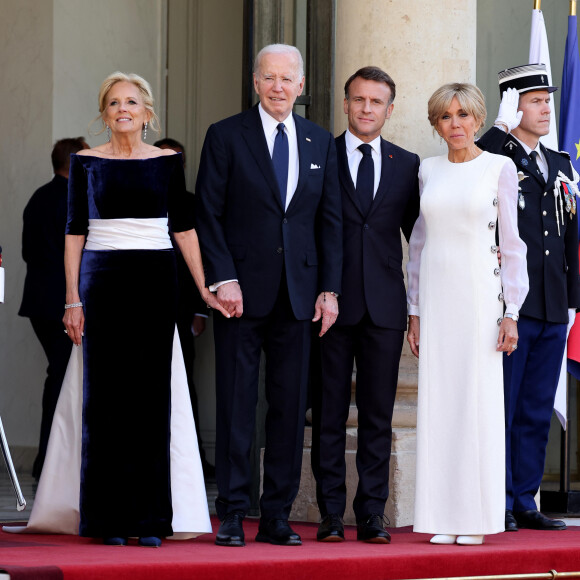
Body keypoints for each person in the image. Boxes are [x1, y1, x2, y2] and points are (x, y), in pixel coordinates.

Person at [17, 71, 223, 548]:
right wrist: (72, 297)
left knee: (150, 402)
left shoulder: (168, 163)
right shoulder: (85, 163)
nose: (123, 109)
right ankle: (108, 520)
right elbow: (74, 234)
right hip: (102, 282)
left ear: (148, 113)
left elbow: (184, 232)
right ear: (103, 113)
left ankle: (149, 519)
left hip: (155, 282)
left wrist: (204, 289)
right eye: (114, 103)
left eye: (132, 101)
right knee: (106, 403)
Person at [195, 44, 342, 547]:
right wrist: (222, 277)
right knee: (237, 403)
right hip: (240, 293)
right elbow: (207, 214)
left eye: (288, 78)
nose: (279, 87)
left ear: (301, 86)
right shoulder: (224, 135)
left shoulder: (320, 141)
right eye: (269, 77)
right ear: (255, 83)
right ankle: (233, 511)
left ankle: (276, 515)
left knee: (288, 406)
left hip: (300, 297)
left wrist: (329, 289)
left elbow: (329, 222)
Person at [406, 82, 528, 545]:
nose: (454, 124)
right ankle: (441, 515)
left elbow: (512, 247)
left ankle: (475, 519)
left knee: (476, 405)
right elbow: (418, 245)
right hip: (436, 300)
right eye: (445, 116)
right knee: (439, 405)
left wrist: (511, 311)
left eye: (463, 115)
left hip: (480, 299)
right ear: (436, 124)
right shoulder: (428, 170)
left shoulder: (501, 167)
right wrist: (414, 311)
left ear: (478, 119)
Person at [311, 66, 419, 544]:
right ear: (347, 104)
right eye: (359, 100)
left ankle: (371, 513)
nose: (366, 109)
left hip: (385, 309)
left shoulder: (407, 163)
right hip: (327, 309)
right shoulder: (319, 154)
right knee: (329, 413)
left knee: (377, 416)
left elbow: (420, 240)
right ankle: (331, 514)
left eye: (376, 102)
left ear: (389, 109)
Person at [478, 64, 580, 532]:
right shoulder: (491, 154)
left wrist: (573, 300)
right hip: (509, 308)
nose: (545, 108)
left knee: (537, 407)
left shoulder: (559, 163)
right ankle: (494, 499)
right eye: (535, 100)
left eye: (547, 100)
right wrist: (498, 130)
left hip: (553, 305)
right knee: (504, 404)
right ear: (511, 105)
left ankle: (524, 499)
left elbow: (570, 236)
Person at [19, 137, 88, 479]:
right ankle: (52, 462)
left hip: (37, 302)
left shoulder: (37, 198)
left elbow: (27, 253)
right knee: (63, 379)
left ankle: (48, 460)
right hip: (65, 302)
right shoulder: (74, 200)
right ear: (75, 164)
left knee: (58, 376)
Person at [153, 137, 215, 480]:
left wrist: (200, 310)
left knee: (183, 381)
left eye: (177, 161)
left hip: (181, 307)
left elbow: (202, 258)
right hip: (143, 303)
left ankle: (191, 460)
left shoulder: (193, 203)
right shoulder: (137, 197)